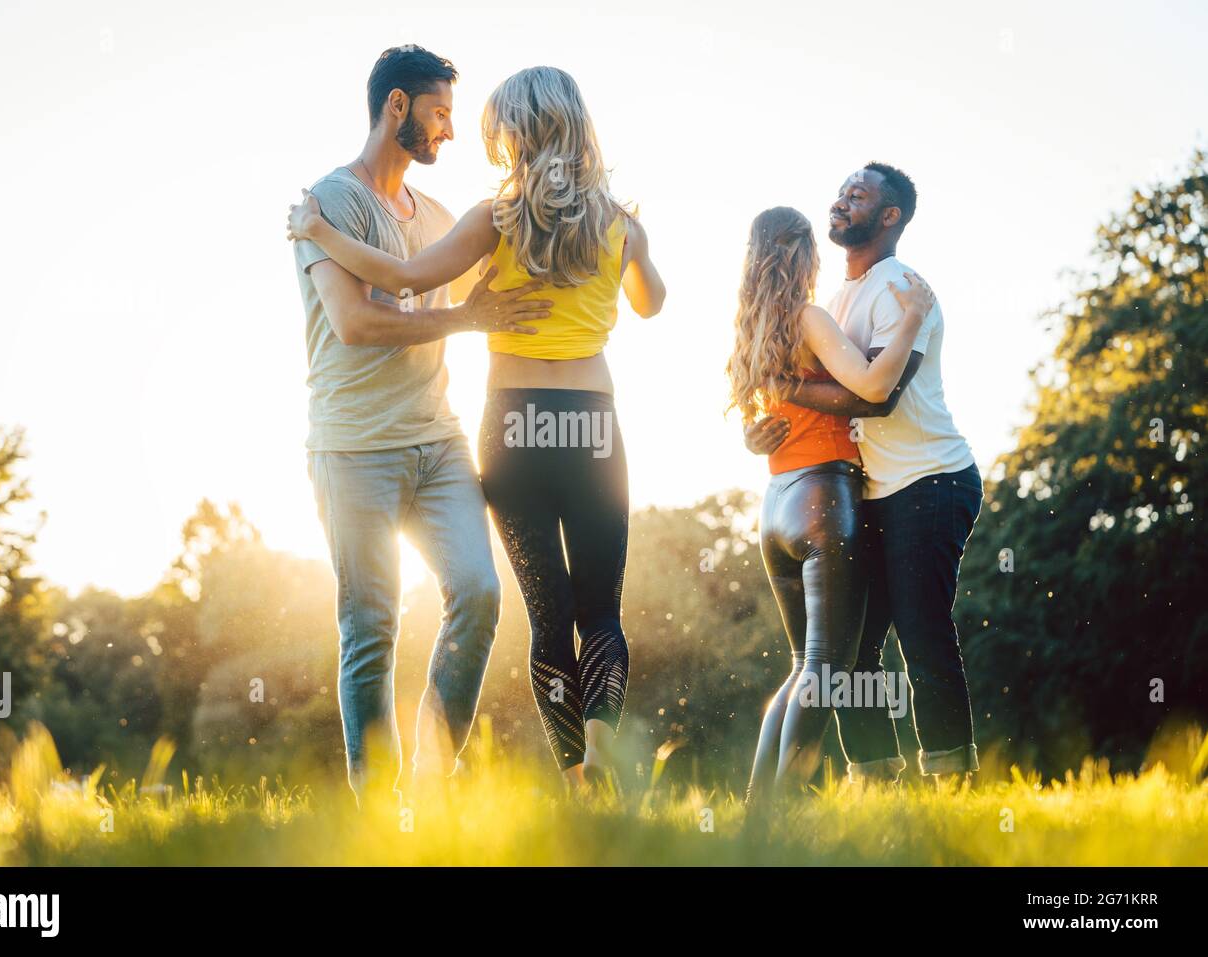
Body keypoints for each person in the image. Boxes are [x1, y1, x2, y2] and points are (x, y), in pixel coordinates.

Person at [288, 65, 666, 790]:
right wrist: (627, 252)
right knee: (602, 613)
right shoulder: (620, 224)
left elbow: (403, 280)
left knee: (547, 618)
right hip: (591, 428)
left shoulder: (493, 219)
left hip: (514, 428)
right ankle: (598, 752)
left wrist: (319, 233)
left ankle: (567, 776)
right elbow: (652, 303)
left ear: (515, 133)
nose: (471, 135)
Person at [290, 45, 553, 802]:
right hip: (352, 448)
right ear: (397, 107)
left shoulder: (438, 217)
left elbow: (500, 289)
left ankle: (432, 783)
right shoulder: (332, 202)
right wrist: (464, 317)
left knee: (478, 593)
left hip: (438, 443)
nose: (449, 131)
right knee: (370, 624)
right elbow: (353, 322)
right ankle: (378, 807)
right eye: (440, 113)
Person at [751, 163, 982, 784]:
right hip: (869, 489)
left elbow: (877, 397)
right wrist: (764, 423)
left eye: (859, 195)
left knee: (919, 626)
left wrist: (785, 386)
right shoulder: (834, 302)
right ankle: (876, 778)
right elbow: (818, 400)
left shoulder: (904, 289)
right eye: (840, 190)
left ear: (890, 217)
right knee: (852, 650)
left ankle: (951, 777)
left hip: (929, 480)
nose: (840, 199)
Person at [729, 207, 934, 798]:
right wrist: (912, 317)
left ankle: (758, 815)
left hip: (776, 504)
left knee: (803, 668)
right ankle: (781, 810)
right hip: (824, 496)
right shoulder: (809, 319)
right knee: (826, 671)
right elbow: (872, 388)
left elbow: (765, 418)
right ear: (802, 255)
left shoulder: (752, 331)